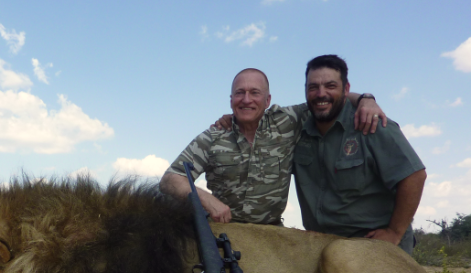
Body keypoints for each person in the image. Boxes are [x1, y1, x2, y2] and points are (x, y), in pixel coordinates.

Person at [160, 67, 387, 226]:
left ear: (267, 101)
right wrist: (207, 200)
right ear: (231, 100)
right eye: (240, 93)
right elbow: (170, 179)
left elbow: (328, 98)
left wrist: (366, 99)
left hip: (272, 234)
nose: (246, 99)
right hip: (225, 230)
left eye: (254, 93)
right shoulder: (212, 137)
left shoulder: (287, 120)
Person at [292, 55, 426, 254]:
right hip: (321, 245)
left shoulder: (373, 124)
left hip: (370, 244)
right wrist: (228, 121)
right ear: (305, 90)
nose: (321, 94)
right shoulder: (296, 130)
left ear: (346, 89)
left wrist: (394, 232)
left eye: (330, 86)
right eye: (313, 87)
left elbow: (415, 175)